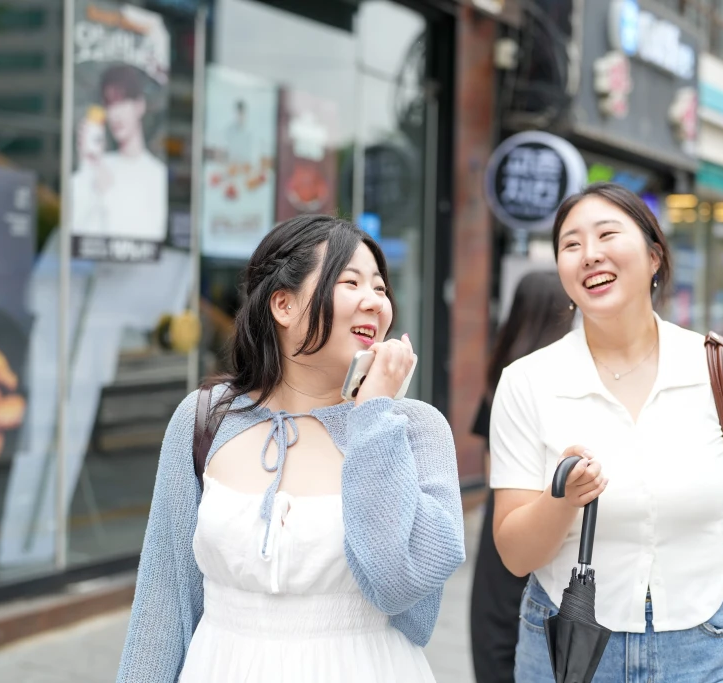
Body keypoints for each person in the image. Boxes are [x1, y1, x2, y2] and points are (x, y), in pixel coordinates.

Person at [117, 215, 465, 682]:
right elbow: (164, 599)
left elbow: (399, 583)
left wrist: (374, 412)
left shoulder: (415, 429)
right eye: (351, 282)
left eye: (381, 289)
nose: (375, 302)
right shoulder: (205, 419)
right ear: (282, 304)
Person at [490, 183, 723, 683]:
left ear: (654, 256)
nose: (589, 254)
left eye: (607, 234)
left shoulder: (722, 368)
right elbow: (515, 554)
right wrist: (563, 498)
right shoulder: (527, 381)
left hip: (707, 648)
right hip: (570, 650)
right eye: (570, 245)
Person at [469, 271, 573, 683]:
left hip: (506, 528)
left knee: (496, 638)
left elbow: (494, 469)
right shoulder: (560, 379)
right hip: (558, 523)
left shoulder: (503, 379)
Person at [72, 64, 167, 242]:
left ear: (139, 106)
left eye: (122, 102)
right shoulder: (96, 165)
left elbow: (151, 238)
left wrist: (107, 193)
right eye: (109, 104)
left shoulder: (156, 174)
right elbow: (76, 236)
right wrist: (88, 165)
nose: (114, 114)